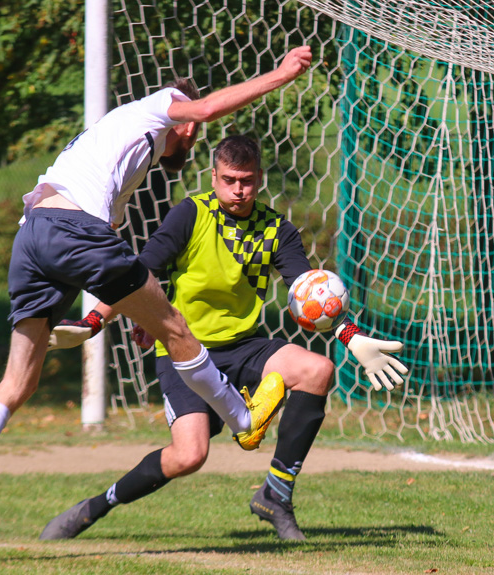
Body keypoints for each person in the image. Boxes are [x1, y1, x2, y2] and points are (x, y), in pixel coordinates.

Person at [0, 47, 314, 563]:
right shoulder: (162, 105)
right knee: (178, 328)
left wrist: (135, 309)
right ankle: (244, 421)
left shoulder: (116, 150)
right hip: (70, 230)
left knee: (18, 383)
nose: (190, 139)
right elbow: (206, 109)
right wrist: (281, 75)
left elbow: (102, 248)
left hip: (32, 234)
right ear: (185, 126)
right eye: (190, 132)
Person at [38, 135, 409, 542]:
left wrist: (349, 335)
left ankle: (276, 493)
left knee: (316, 369)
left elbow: (307, 291)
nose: (239, 190)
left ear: (259, 179)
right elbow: (137, 273)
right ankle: (96, 506)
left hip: (245, 347)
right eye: (230, 179)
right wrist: (92, 323)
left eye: (247, 180)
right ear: (213, 177)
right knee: (189, 456)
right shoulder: (190, 215)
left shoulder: (276, 229)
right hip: (185, 350)